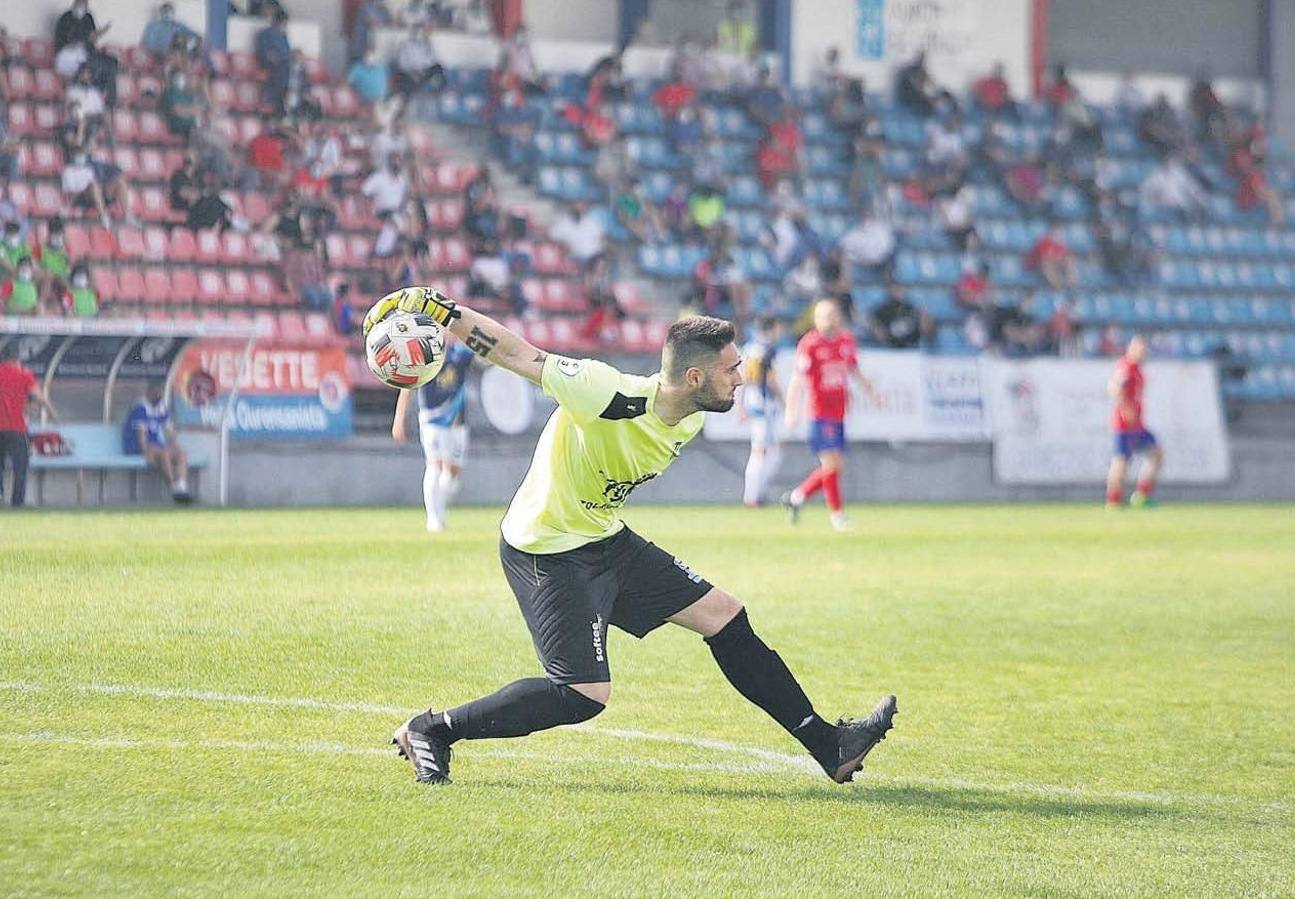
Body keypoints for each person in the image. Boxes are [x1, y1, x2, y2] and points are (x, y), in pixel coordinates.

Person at [363, 287, 898, 786]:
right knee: (582, 696)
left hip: (603, 537)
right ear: (694, 377)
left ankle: (830, 745)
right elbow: (518, 355)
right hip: (545, 548)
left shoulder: (690, 417)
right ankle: (433, 728)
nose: (741, 378)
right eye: (732, 369)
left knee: (725, 616)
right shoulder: (603, 391)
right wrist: (443, 311)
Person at [781, 300, 881, 531]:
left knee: (836, 467)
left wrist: (872, 393)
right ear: (816, 319)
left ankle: (797, 497)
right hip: (818, 413)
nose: (828, 320)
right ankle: (837, 516)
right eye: (823, 316)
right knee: (831, 464)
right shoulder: (810, 344)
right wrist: (790, 410)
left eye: (832, 314)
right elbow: (797, 380)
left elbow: (854, 371)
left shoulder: (847, 341)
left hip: (839, 414)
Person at [391, 340, 476, 533]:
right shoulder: (422, 358)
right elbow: (408, 389)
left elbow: (484, 360)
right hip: (432, 421)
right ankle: (434, 518)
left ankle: (440, 510)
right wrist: (399, 420)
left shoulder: (461, 354)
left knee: (453, 474)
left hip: (457, 422)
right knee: (435, 465)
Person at [0, 345, 60, 508]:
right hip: (17, 427)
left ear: (2, 358)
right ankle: (18, 502)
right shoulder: (24, 375)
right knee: (20, 466)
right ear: (18, 358)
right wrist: (53, 413)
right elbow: (38, 397)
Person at [1106, 335, 1164, 509]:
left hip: (1138, 425)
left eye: (1145, 350)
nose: (1143, 353)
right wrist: (1125, 408)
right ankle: (1113, 500)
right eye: (1140, 349)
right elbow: (1114, 388)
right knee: (1121, 462)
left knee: (1157, 454)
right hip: (1124, 425)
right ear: (1131, 349)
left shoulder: (1138, 370)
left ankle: (1142, 495)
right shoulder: (1126, 367)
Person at [740, 316, 784, 508]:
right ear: (772, 328)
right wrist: (785, 402)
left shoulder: (749, 348)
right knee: (763, 452)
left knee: (768, 451)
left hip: (753, 402)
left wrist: (740, 406)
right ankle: (752, 497)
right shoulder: (768, 350)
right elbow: (772, 381)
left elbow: (743, 379)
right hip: (765, 405)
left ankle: (756, 494)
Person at [123, 381, 191, 503]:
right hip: (135, 447)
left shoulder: (161, 407)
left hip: (156, 446)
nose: (160, 395)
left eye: (162, 392)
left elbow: (170, 432)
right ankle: (174, 489)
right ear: (150, 392)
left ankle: (182, 486)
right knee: (164, 454)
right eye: (158, 392)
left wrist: (173, 447)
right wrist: (147, 453)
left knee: (181, 453)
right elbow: (141, 438)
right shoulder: (140, 407)